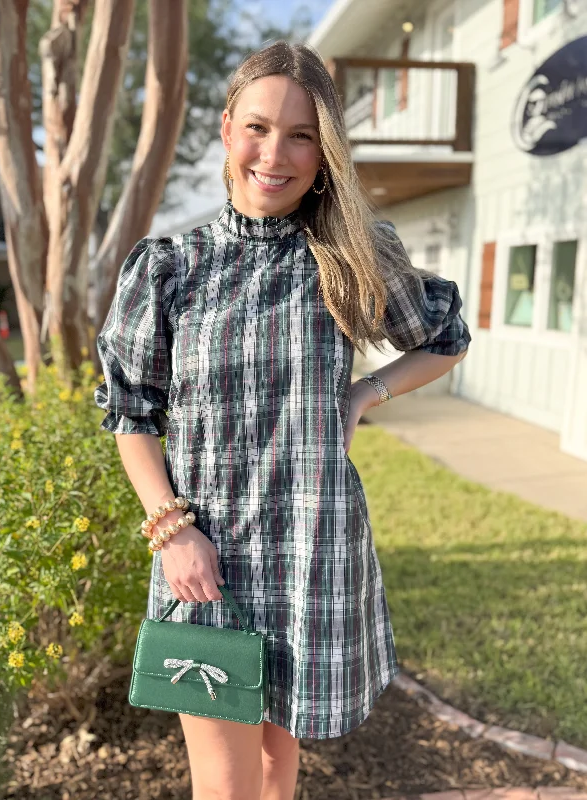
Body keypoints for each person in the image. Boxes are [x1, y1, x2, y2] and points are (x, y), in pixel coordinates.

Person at [94, 40, 471, 800]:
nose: (277, 154)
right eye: (259, 128)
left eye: (302, 135)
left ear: (325, 151)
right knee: (226, 788)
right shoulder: (171, 267)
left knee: (276, 768)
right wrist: (170, 528)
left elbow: (444, 338)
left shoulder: (351, 253)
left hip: (313, 559)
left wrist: (366, 393)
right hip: (207, 567)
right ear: (228, 128)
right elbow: (128, 411)